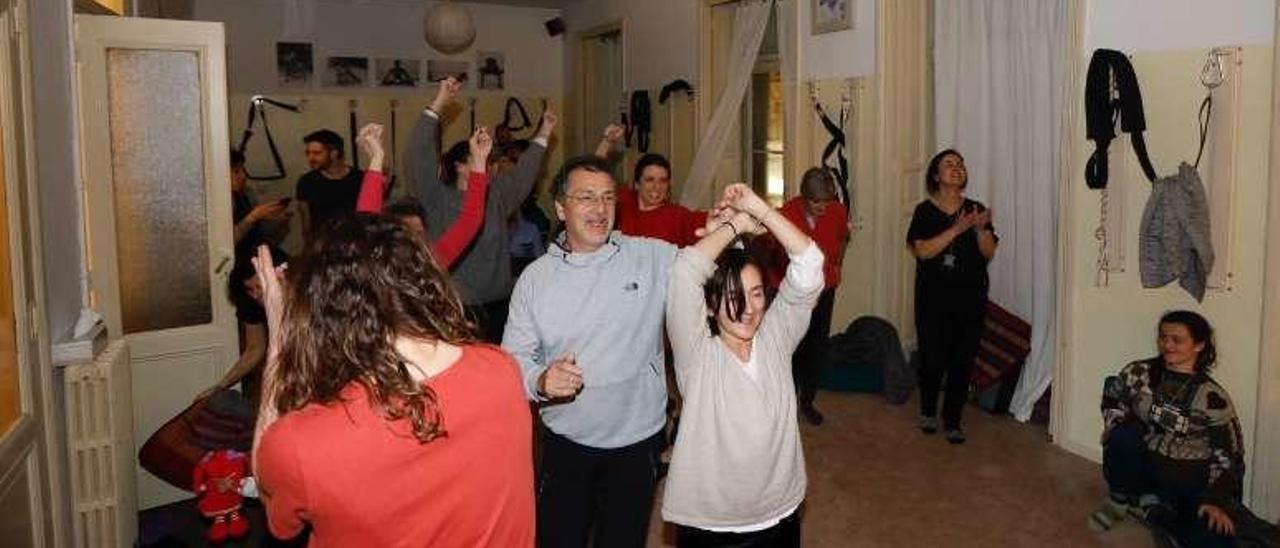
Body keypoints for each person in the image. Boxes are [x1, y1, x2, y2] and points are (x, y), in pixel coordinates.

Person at [250, 216, 535, 546]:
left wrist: (279, 344)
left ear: (322, 316)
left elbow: (269, 492)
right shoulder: (501, 371)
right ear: (426, 282)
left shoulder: (299, 444)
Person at [502, 155, 676, 548]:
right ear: (561, 209)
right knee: (560, 538)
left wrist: (731, 225)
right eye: (586, 198)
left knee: (624, 539)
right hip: (567, 440)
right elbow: (513, 358)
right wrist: (541, 379)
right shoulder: (535, 280)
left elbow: (700, 268)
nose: (600, 209)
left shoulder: (650, 256)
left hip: (638, 438)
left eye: (608, 198)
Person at [663, 183, 823, 547]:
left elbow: (810, 264)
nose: (749, 309)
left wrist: (759, 210)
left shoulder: (777, 336)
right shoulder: (698, 356)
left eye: (756, 294)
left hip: (780, 513)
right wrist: (733, 227)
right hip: (713, 526)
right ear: (709, 306)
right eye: (734, 296)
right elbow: (684, 273)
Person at [1091, 310, 1256, 547]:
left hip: (1187, 483)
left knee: (1215, 538)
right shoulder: (1140, 373)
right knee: (1121, 436)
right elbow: (1113, 396)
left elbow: (1229, 453)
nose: (1167, 345)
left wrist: (1215, 500)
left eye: (1176, 339)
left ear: (1199, 345)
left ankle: (1152, 512)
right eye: (1163, 337)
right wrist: (1117, 423)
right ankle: (1120, 500)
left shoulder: (1213, 397)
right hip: (1145, 467)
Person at [410, 76, 555, 343]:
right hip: (455, 308)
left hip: (500, 304)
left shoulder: (498, 195)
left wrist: (544, 132)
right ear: (458, 166)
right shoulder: (437, 197)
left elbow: (524, 174)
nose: (486, 166)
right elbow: (421, 154)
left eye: (488, 161)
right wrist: (440, 102)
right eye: (476, 159)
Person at [907, 149, 997, 444]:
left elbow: (988, 252)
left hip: (970, 300)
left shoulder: (975, 208)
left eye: (961, 164)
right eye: (949, 164)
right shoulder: (924, 211)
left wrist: (981, 229)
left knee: (962, 360)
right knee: (932, 358)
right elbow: (922, 250)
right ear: (936, 175)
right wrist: (957, 229)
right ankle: (928, 410)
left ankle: (953, 419)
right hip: (933, 301)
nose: (957, 168)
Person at [764, 167, 850, 426]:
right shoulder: (787, 214)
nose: (823, 208)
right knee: (791, 348)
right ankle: (786, 403)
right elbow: (773, 254)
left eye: (827, 202)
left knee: (816, 346)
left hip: (825, 288)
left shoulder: (837, 210)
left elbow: (844, 238)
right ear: (803, 198)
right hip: (792, 292)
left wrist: (837, 265)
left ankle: (807, 401)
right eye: (816, 203)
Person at [354, 122, 493, 270]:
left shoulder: (429, 264)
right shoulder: (374, 268)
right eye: (406, 233)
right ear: (387, 236)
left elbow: (470, 220)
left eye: (419, 233)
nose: (414, 240)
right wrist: (376, 158)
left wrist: (479, 161)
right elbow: (366, 222)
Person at [596, 125, 706, 247]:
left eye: (663, 181)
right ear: (637, 184)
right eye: (650, 180)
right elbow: (592, 178)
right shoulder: (623, 203)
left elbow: (712, 223)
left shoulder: (679, 216)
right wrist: (607, 142)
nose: (657, 187)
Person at [294, 129, 364, 243]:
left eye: (317, 153)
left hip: (355, 243)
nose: (310, 158)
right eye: (308, 153)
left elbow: (371, 217)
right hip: (323, 246)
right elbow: (306, 225)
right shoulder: (306, 182)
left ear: (334, 153)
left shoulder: (360, 178)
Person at [230, 149, 290, 247]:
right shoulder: (219, 202)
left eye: (243, 170)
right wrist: (252, 217)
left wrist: (279, 223)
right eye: (236, 172)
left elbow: (262, 235)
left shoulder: (247, 193)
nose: (243, 176)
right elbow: (227, 243)